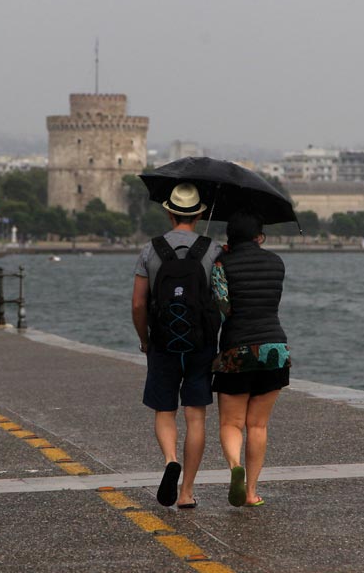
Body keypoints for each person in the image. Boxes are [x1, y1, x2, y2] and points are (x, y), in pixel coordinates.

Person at [131, 183, 222, 508]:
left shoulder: (150, 250)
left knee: (165, 410)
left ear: (169, 213)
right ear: (198, 216)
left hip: (163, 342)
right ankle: (186, 492)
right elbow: (223, 300)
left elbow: (139, 304)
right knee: (195, 416)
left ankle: (171, 460)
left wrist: (145, 339)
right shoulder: (213, 250)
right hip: (201, 345)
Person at [211, 210, 290, 507]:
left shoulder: (222, 264)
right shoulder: (276, 262)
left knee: (232, 423)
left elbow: (223, 309)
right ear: (260, 237)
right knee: (258, 425)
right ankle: (251, 492)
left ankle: (235, 468)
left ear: (230, 237)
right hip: (274, 348)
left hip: (237, 350)